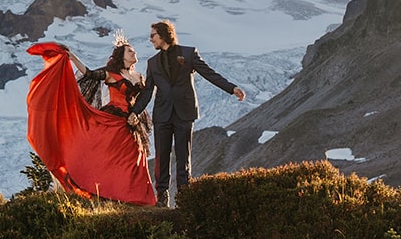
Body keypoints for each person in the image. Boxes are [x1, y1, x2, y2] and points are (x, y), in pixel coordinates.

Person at [24, 35, 156, 205]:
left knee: (135, 156)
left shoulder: (138, 77)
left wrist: (136, 114)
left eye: (133, 50)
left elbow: (143, 97)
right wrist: (71, 56)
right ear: (121, 56)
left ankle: (135, 197)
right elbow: (89, 73)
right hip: (112, 119)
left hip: (130, 122)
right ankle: (106, 192)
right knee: (107, 157)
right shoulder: (111, 74)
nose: (134, 52)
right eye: (130, 51)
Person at [128, 20, 245, 207]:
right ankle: (162, 198)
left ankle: (184, 198)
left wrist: (232, 88)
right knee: (161, 158)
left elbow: (209, 74)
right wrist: (135, 111)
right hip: (162, 115)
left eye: (153, 35)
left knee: (183, 158)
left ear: (164, 35)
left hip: (184, 113)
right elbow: (148, 91)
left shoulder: (188, 54)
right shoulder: (153, 63)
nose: (150, 40)